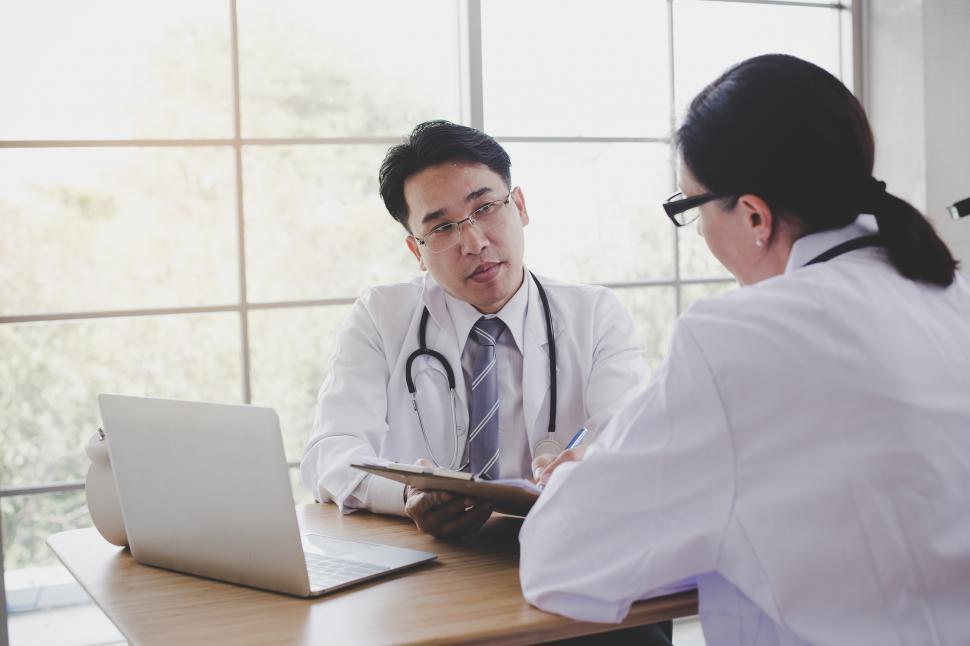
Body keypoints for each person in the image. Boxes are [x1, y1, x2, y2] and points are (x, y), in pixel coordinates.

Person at [520, 54, 970, 646]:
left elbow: (559, 563)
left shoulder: (738, 336)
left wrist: (581, 475)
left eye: (689, 208)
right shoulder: (950, 294)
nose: (699, 230)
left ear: (755, 215)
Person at [300, 120, 648, 538]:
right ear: (418, 251)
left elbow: (631, 441)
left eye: (484, 209)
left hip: (564, 545)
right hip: (426, 565)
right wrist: (405, 495)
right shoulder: (380, 316)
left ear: (519, 206)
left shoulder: (596, 316)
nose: (474, 242)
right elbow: (331, 452)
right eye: (442, 227)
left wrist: (592, 463)